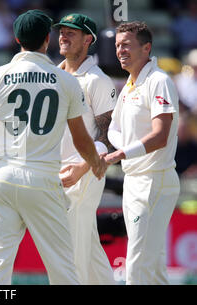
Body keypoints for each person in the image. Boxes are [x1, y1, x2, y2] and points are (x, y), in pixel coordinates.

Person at [0, 9, 107, 285]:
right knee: (64, 270)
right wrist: (96, 161)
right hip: (43, 180)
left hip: (2, 177)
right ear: (48, 39)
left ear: (16, 38)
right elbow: (81, 140)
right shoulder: (66, 80)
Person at [105, 21, 180, 285]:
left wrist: (121, 153)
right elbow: (114, 128)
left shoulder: (158, 81)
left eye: (126, 45)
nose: (120, 51)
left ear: (146, 48)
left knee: (137, 264)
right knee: (152, 264)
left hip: (154, 180)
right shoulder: (130, 84)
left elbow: (160, 136)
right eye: (117, 45)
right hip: (135, 180)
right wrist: (112, 150)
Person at [54, 14, 116, 285]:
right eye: (62, 31)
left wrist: (83, 167)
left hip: (83, 174)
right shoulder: (54, 74)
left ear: (88, 39)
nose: (63, 36)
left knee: (70, 254)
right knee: (88, 252)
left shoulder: (96, 80)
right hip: (57, 173)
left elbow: (111, 135)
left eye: (72, 32)